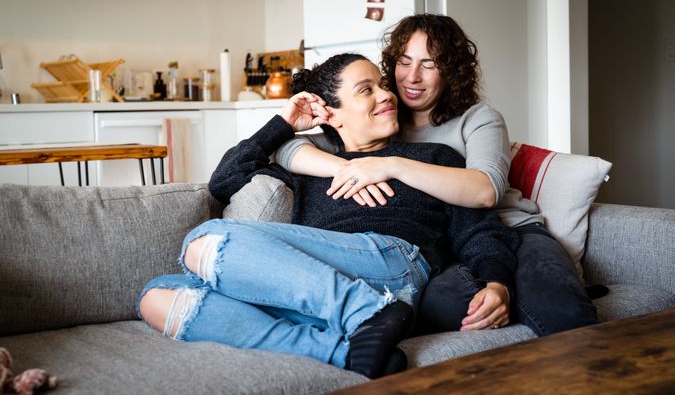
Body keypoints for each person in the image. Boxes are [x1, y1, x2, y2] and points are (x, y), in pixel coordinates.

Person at [137, 53, 518, 379]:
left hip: (394, 262)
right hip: (313, 289)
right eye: (367, 90)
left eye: (383, 84)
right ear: (331, 114)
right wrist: (284, 124)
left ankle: (371, 310)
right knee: (157, 296)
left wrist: (497, 283)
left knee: (207, 241)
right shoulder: (309, 167)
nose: (387, 94)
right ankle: (345, 352)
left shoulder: (431, 158)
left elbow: (479, 229)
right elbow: (225, 180)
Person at [275, 14, 599, 336]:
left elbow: (485, 191)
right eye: (404, 62)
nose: (412, 77)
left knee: (560, 310)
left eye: (428, 64)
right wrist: (347, 168)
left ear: (451, 72)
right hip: (441, 244)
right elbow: (286, 150)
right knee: (451, 305)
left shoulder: (477, 118)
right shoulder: (381, 115)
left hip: (508, 228)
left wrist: (391, 165)